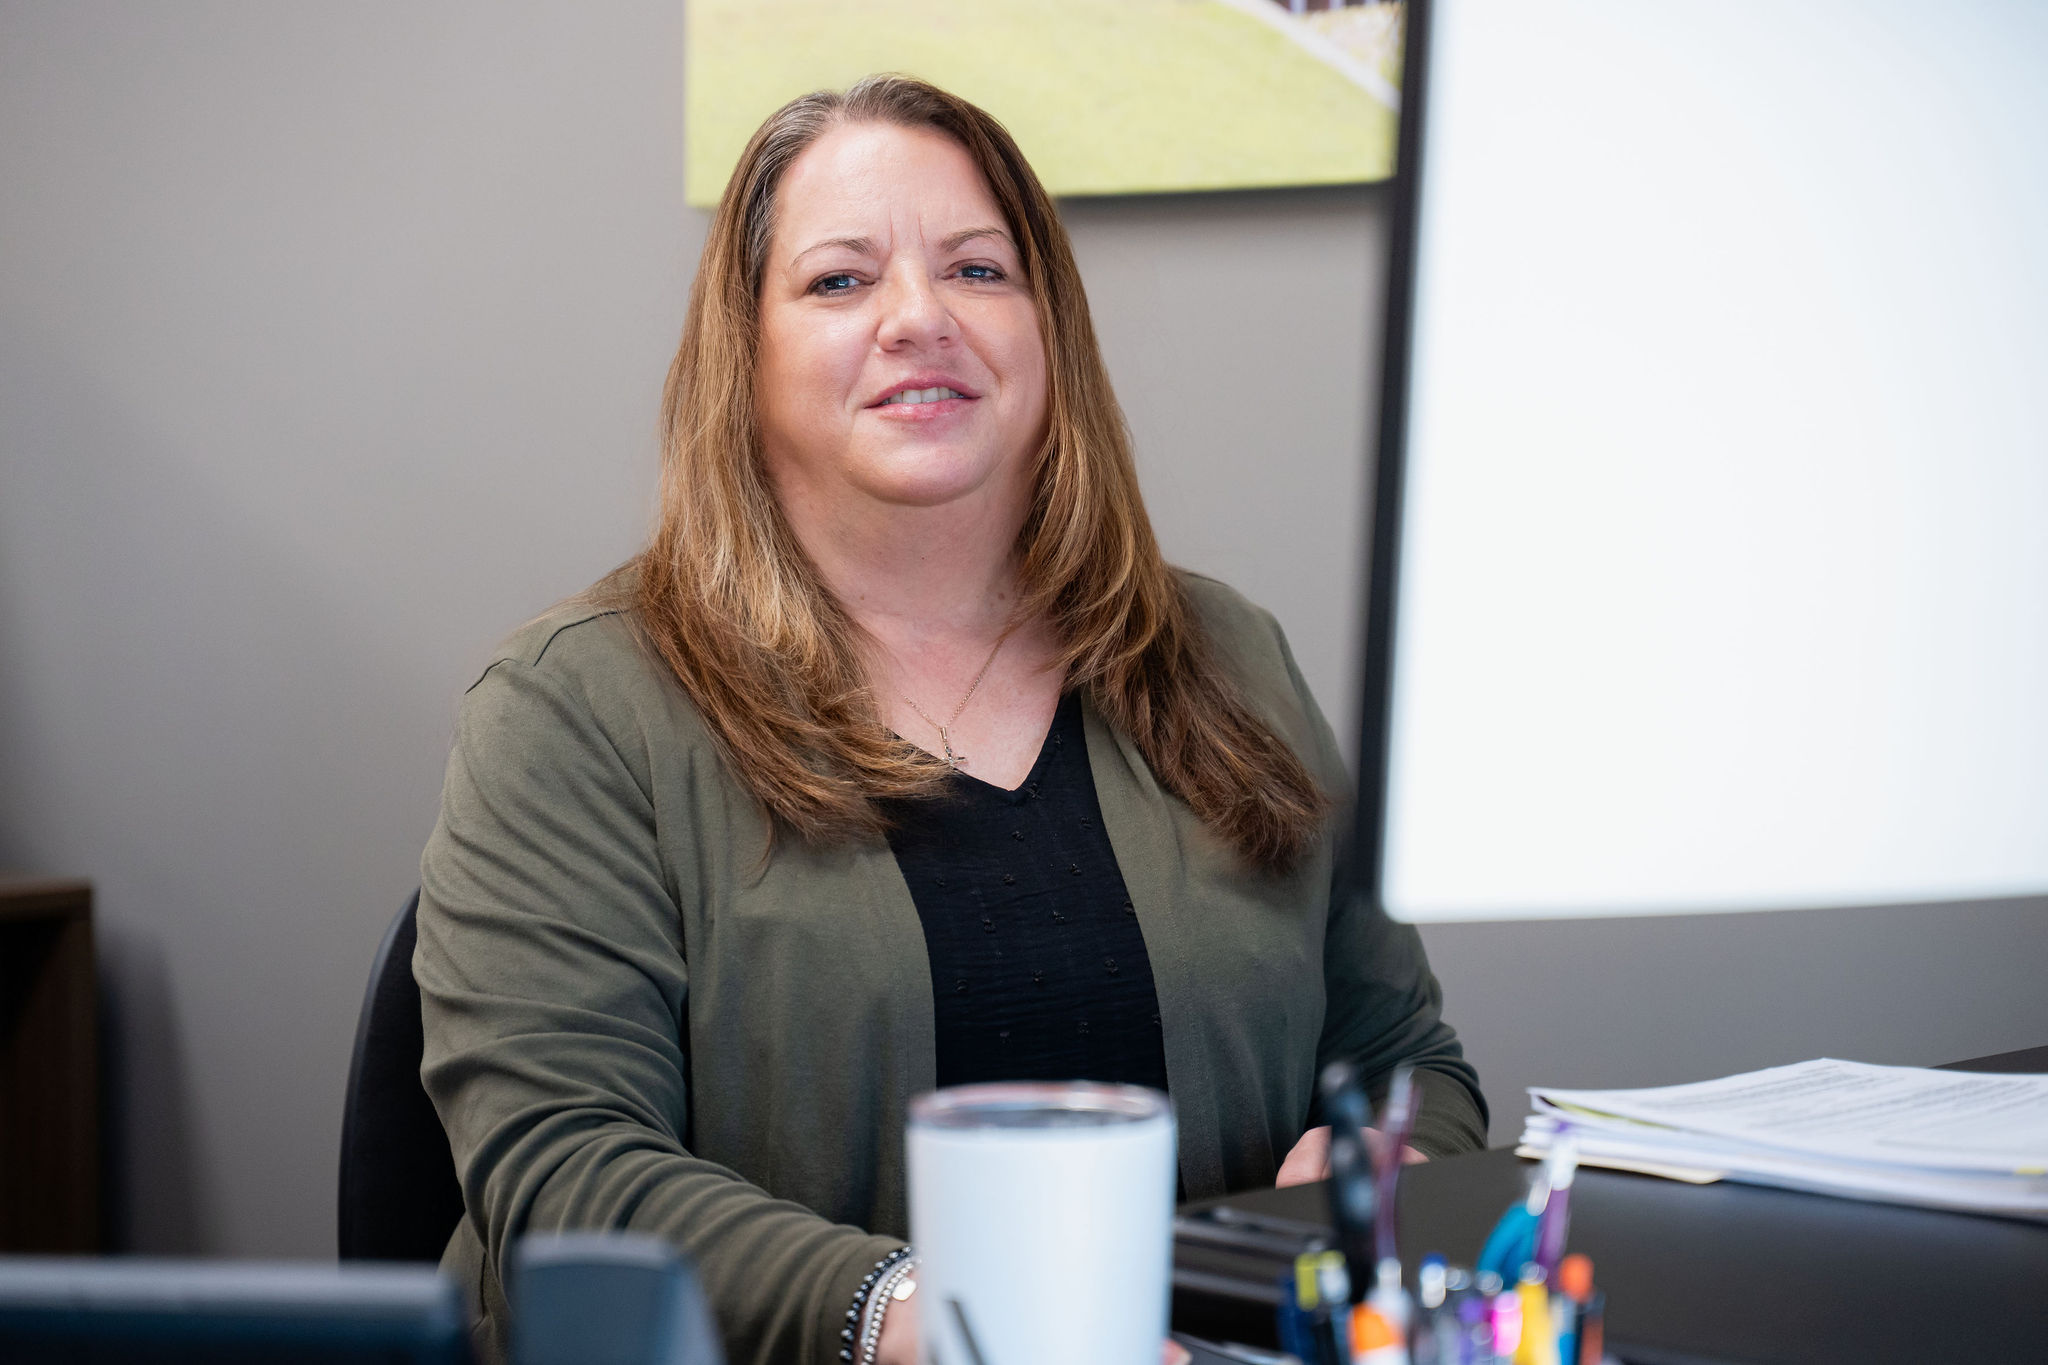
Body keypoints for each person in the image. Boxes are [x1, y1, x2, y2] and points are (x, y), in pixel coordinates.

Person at [415, 74, 1486, 1365]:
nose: (920, 318)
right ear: (743, 358)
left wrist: (1386, 1148)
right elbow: (560, 1167)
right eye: (838, 281)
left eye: (978, 270)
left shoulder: (1222, 654)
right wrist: (923, 1320)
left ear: (1048, 329)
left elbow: (1400, 1047)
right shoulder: (578, 705)